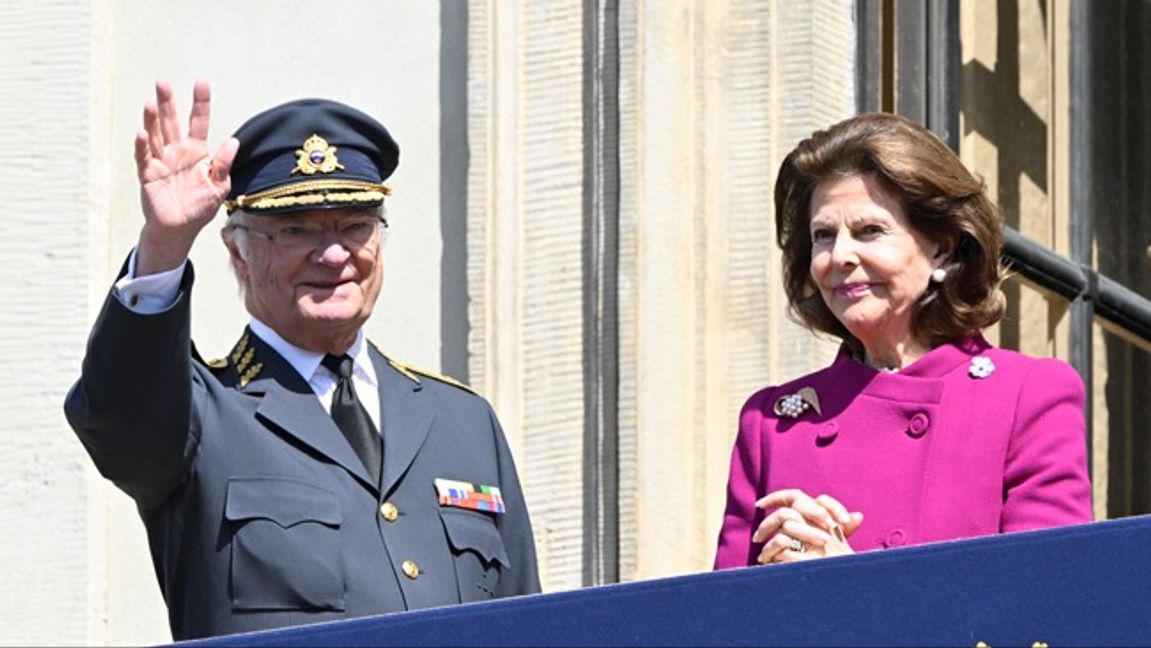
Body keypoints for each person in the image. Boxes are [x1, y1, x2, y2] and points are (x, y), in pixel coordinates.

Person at [64, 80, 540, 640]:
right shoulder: (201, 414)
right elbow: (116, 411)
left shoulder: (464, 421)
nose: (335, 254)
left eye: (355, 225)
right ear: (238, 251)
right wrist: (163, 246)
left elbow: (528, 623)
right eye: (296, 230)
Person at [713, 113, 1092, 569]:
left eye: (869, 231)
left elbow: (1044, 593)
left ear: (943, 246)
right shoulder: (771, 423)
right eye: (823, 236)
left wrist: (852, 582)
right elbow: (726, 620)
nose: (841, 257)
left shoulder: (1027, 395)